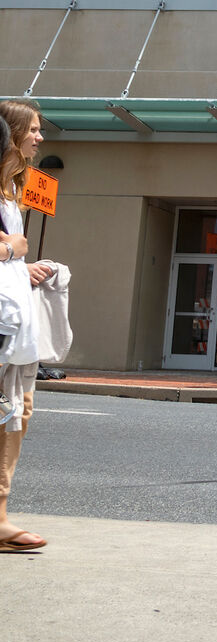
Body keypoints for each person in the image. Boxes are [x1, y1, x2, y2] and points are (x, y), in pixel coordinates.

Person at [0, 98, 53, 553]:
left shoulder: (11, 193)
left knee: (19, 411)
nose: (39, 137)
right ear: (11, 133)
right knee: (7, 413)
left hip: (15, 322)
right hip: (4, 324)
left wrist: (26, 264)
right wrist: (13, 250)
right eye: (33, 129)